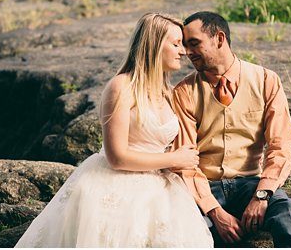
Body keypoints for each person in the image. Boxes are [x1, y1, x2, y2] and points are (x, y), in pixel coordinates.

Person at [15, 13, 214, 248]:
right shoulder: (121, 87)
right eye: (176, 43)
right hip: (117, 180)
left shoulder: (166, 91)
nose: (183, 51)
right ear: (153, 44)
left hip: (160, 183)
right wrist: (173, 159)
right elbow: (116, 157)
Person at [171, 11, 291, 247]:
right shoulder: (184, 91)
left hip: (251, 184)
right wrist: (214, 212)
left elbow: (280, 145)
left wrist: (262, 195)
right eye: (185, 45)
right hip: (206, 188)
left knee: (288, 212)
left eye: (194, 43)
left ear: (219, 39)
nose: (187, 52)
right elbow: (185, 160)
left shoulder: (267, 80)